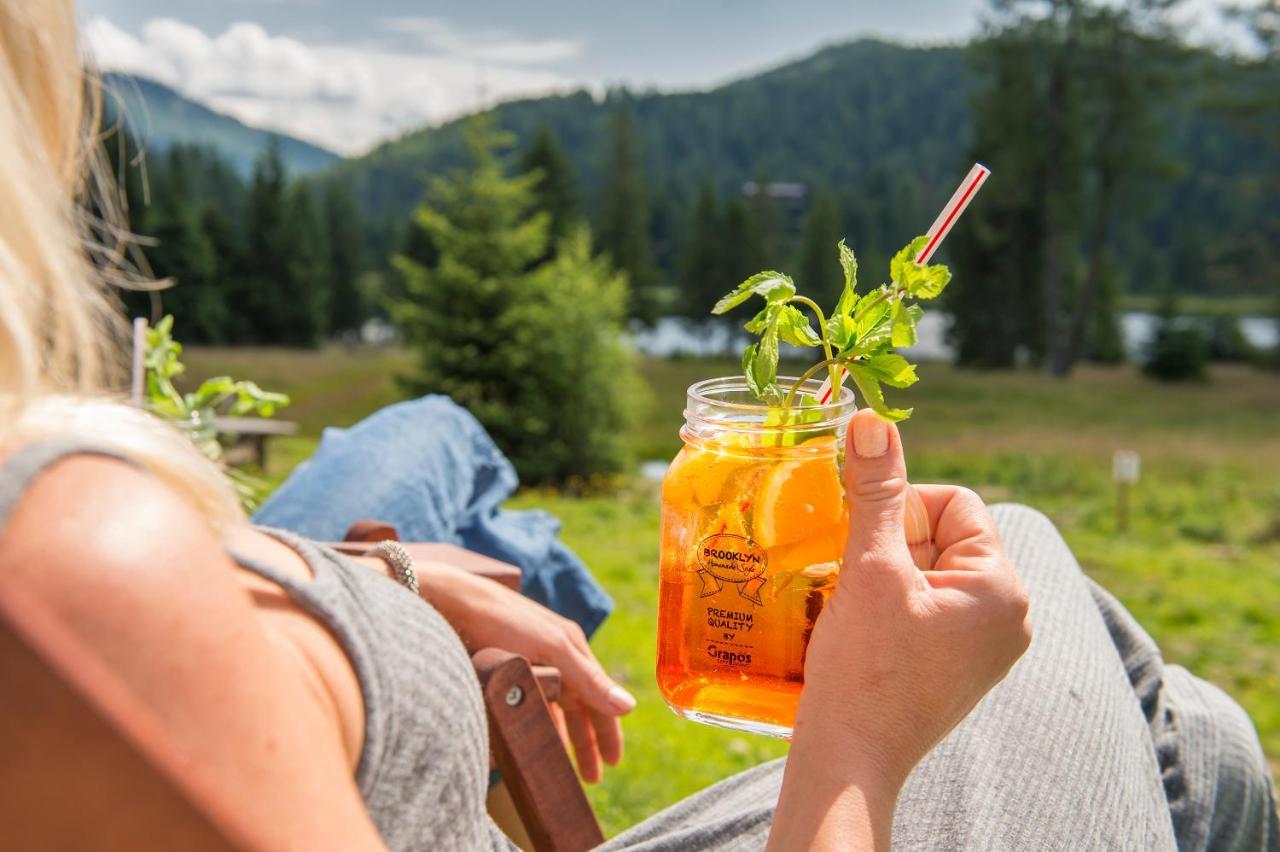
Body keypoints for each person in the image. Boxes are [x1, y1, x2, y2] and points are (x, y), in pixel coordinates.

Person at [0, 3, 1274, 849]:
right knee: (1091, 630)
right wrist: (858, 747)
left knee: (1192, 746)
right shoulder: (76, 574)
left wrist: (368, 583)